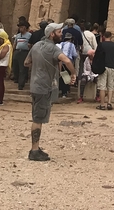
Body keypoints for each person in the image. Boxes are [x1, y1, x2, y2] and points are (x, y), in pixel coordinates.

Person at [24, 22, 75, 161]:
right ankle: (34, 150)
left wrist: (39, 65)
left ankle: (36, 147)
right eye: (59, 32)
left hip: (34, 85)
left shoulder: (36, 46)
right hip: (43, 86)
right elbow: (67, 61)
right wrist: (73, 73)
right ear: (52, 34)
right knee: (38, 118)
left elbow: (26, 62)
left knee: (37, 116)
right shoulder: (53, 49)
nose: (61, 34)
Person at [95, 31, 114, 110]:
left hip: (103, 67)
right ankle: (109, 103)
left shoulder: (101, 45)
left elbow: (97, 57)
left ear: (103, 36)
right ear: (111, 36)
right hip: (112, 66)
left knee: (102, 86)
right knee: (111, 85)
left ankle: (102, 104)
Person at [57, 31, 79, 99]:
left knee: (61, 76)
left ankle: (59, 90)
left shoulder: (61, 44)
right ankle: (65, 92)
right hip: (68, 62)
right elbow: (75, 54)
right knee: (67, 78)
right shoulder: (72, 45)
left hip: (60, 62)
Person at [12, 19, 32, 90]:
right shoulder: (17, 36)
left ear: (25, 27)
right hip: (17, 51)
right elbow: (15, 44)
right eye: (19, 27)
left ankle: (21, 84)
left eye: (22, 27)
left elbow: (30, 45)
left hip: (24, 52)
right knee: (15, 67)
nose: (20, 28)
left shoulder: (29, 35)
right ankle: (16, 79)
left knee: (22, 69)